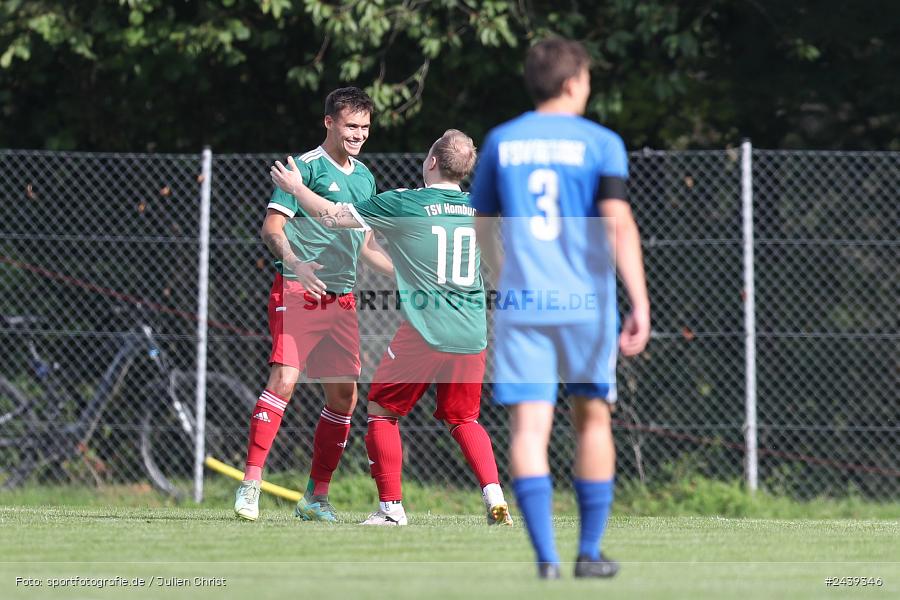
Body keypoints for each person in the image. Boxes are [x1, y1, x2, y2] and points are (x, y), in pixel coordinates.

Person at [468, 38, 651, 579]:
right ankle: (588, 553)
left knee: (529, 430)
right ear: (573, 82)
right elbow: (617, 221)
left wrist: (500, 280)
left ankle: (545, 556)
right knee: (593, 420)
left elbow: (481, 226)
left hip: (524, 304)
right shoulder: (601, 142)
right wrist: (638, 300)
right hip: (586, 305)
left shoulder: (502, 141)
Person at [270, 129, 513, 527]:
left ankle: (391, 508)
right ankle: (495, 498)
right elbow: (501, 268)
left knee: (382, 412)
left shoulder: (405, 202)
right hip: (472, 333)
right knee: (465, 419)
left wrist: (297, 188)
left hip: (427, 329)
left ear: (432, 161)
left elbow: (333, 218)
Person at [234, 87, 394, 523]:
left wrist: (404, 273)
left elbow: (366, 245)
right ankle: (250, 486)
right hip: (298, 292)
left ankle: (315, 497)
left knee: (345, 396)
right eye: (351, 126)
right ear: (329, 122)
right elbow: (272, 228)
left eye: (364, 127)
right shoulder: (301, 169)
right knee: (285, 379)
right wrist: (296, 263)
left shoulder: (365, 177)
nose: (359, 134)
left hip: (341, 300)